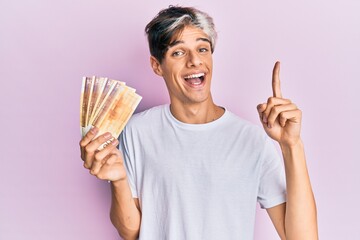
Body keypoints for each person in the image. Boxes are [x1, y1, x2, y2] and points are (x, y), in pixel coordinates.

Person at [79, 6, 318, 240]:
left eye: (203, 49)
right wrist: (119, 181)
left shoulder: (251, 140)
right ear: (156, 65)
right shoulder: (136, 132)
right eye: (178, 52)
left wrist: (292, 145)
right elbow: (130, 232)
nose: (195, 61)